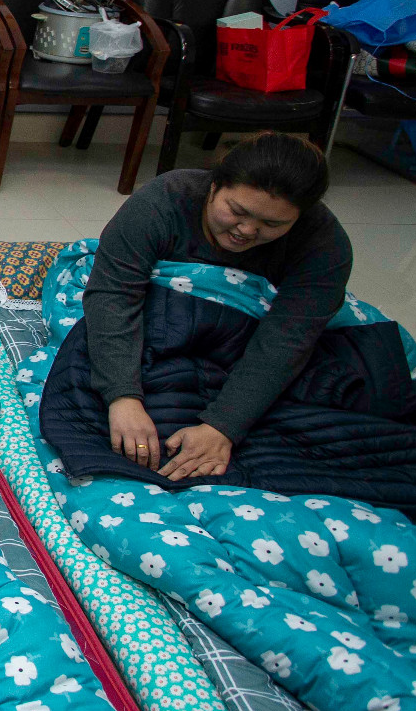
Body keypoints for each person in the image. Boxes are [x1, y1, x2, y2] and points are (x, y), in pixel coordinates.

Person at [83, 132, 351, 483]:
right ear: (213, 186)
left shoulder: (324, 244)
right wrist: (122, 396)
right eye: (237, 211)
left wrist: (224, 425)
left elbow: (288, 339)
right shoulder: (162, 202)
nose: (246, 230)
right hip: (163, 328)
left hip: (242, 344)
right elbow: (113, 294)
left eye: (272, 224)